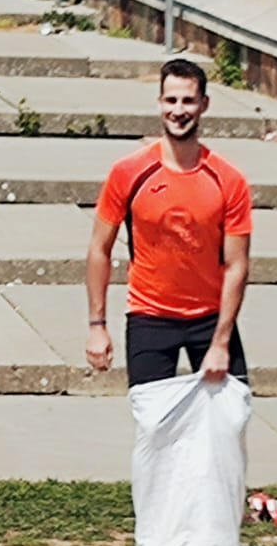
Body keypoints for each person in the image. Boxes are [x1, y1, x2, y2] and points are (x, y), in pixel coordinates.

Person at [85, 58, 252, 387]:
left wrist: (221, 342)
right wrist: (97, 326)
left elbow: (237, 265)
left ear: (204, 105)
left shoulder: (228, 180)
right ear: (160, 103)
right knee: (152, 416)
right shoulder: (128, 173)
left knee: (231, 413)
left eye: (188, 101)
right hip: (150, 316)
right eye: (171, 100)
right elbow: (99, 249)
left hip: (210, 318)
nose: (179, 110)